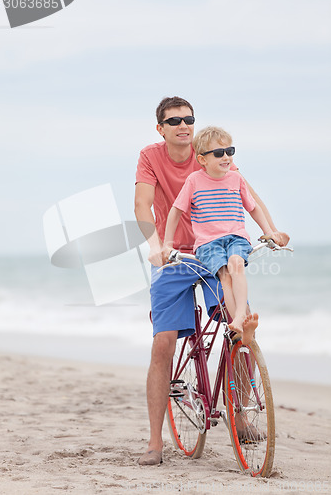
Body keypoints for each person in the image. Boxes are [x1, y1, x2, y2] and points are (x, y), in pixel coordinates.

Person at [134, 96, 289, 466]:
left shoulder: (211, 150)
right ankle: (155, 442)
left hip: (214, 252)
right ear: (161, 128)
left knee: (242, 319)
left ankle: (239, 416)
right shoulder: (150, 156)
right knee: (163, 344)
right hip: (174, 257)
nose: (183, 126)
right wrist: (157, 246)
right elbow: (142, 206)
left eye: (188, 119)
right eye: (174, 121)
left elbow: (248, 197)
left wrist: (270, 231)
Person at [164, 126, 278, 345]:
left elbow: (253, 208)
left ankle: (239, 319)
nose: (226, 157)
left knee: (236, 263)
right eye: (219, 153)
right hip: (208, 242)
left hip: (236, 237)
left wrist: (269, 232)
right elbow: (176, 210)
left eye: (229, 151)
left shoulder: (236, 180)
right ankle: (236, 323)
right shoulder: (194, 181)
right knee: (225, 275)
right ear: (202, 159)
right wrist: (168, 244)